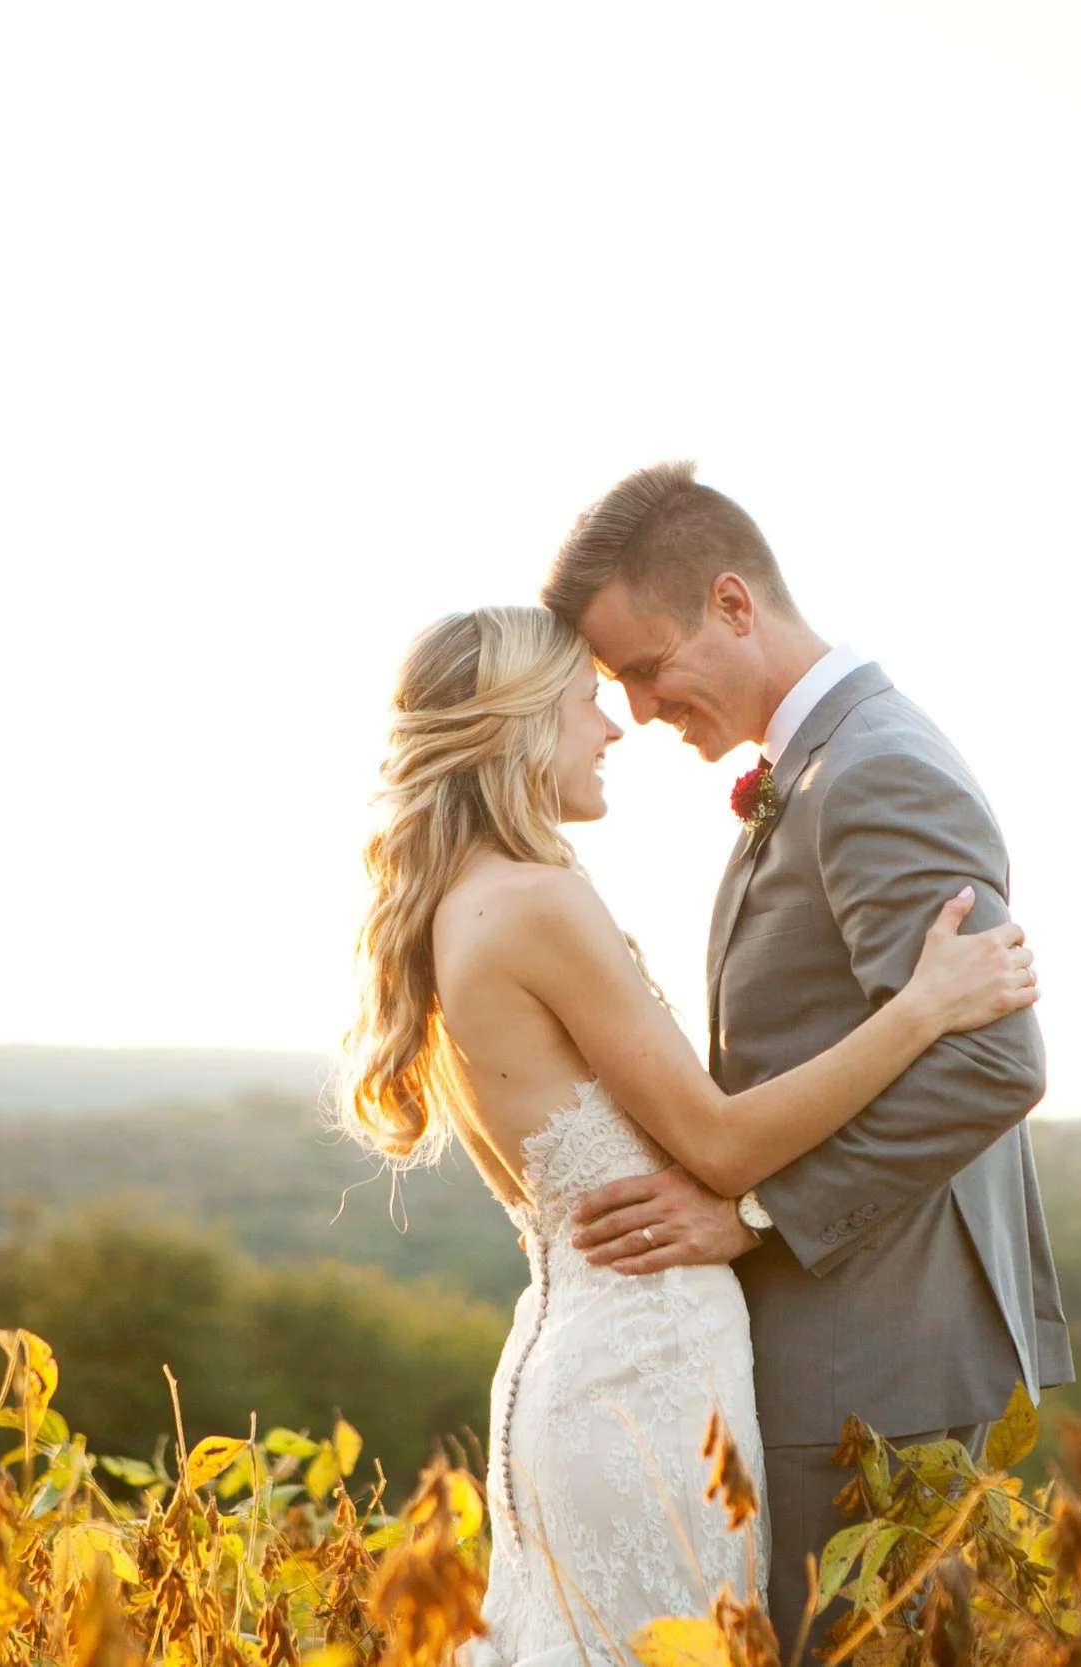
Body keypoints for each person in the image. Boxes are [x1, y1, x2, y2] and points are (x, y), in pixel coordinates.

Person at [339, 605, 1039, 1667]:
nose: (613, 727)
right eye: (585, 703)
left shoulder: (458, 903)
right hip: (648, 1381)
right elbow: (716, 1144)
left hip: (575, 1364)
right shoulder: (536, 900)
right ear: (521, 725)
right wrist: (921, 1006)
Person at [542, 462, 1071, 1647]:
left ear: (732, 604)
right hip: (844, 1344)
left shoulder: (876, 767)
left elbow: (992, 1064)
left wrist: (761, 1209)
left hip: (873, 1353)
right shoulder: (826, 763)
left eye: (643, 665)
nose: (632, 706)